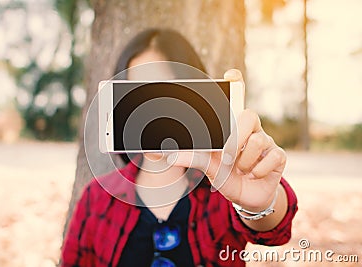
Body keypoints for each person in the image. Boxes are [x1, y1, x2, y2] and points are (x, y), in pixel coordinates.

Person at [61, 28, 298, 267]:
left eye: (166, 91)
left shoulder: (223, 188)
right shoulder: (96, 198)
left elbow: (275, 231)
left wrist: (261, 204)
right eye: (138, 93)